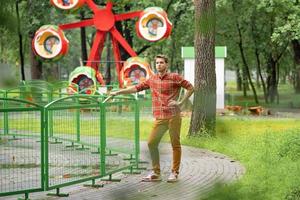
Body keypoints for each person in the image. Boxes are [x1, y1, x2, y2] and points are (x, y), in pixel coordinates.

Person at [110, 54, 194, 182]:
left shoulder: (174, 77)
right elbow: (136, 88)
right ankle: (156, 172)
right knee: (151, 143)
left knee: (175, 144)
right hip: (160, 117)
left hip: (173, 116)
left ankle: (174, 173)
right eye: (157, 63)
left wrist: (181, 102)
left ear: (166, 64)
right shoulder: (152, 79)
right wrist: (118, 92)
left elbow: (190, 88)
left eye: (161, 63)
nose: (159, 65)